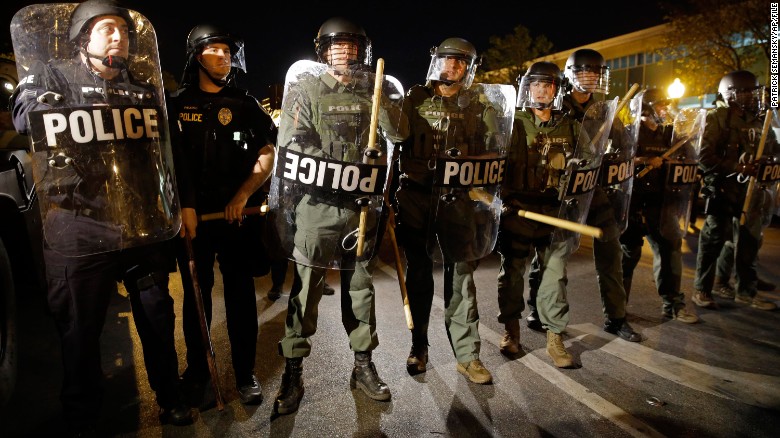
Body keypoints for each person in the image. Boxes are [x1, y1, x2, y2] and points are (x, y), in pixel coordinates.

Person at [10, 0, 193, 433]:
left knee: (157, 315)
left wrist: (178, 204)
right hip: (78, 226)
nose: (119, 36)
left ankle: (170, 398)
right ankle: (82, 413)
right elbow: (23, 115)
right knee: (79, 329)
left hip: (138, 223)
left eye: (125, 31)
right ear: (82, 38)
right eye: (107, 29)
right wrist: (43, 102)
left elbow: (168, 153)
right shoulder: (53, 75)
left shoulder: (143, 88)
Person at [269, 16, 409, 415]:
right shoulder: (306, 89)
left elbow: (398, 138)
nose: (343, 52)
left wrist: (385, 106)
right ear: (323, 51)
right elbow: (292, 144)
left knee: (361, 289)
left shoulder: (373, 92)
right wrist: (346, 168)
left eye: (350, 45)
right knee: (307, 287)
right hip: (318, 206)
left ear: (361, 50)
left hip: (360, 210)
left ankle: (363, 365)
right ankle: (293, 370)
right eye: (335, 46)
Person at [169, 24, 277, 407]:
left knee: (241, 296)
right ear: (198, 56)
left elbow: (268, 152)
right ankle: (198, 372)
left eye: (229, 52)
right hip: (195, 220)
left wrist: (243, 193)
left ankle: (245, 372)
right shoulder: (177, 105)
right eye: (216, 50)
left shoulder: (245, 104)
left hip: (237, 217)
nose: (225, 57)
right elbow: (172, 163)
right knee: (197, 298)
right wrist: (185, 206)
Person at [395, 37, 503, 383]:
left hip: (459, 200)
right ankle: (419, 346)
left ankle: (468, 355)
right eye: (447, 59)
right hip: (417, 197)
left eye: (460, 62)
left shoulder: (478, 104)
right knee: (419, 272)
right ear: (435, 61)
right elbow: (394, 141)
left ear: (468, 68)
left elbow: (495, 148)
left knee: (461, 276)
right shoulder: (414, 98)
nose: (452, 66)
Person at [529, 48, 638, 342]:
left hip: (595, 191)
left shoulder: (605, 109)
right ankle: (537, 310)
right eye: (582, 73)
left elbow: (623, 145)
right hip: (562, 194)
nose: (589, 79)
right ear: (570, 76)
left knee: (611, 250)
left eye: (594, 73)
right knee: (552, 255)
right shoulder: (555, 103)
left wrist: (621, 147)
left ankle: (616, 317)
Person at [496, 61, 582, 366]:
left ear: (557, 91)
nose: (542, 91)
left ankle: (555, 337)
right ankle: (511, 331)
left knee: (554, 277)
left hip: (554, 214)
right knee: (513, 276)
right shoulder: (511, 122)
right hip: (518, 212)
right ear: (527, 88)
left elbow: (587, 166)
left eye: (549, 86)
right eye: (536, 85)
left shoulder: (570, 126)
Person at [693, 70, 777, 310]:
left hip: (751, 192)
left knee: (750, 241)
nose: (752, 96)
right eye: (745, 92)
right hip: (722, 189)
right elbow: (703, 156)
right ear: (730, 93)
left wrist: (769, 160)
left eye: (754, 91)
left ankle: (746, 291)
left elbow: (773, 147)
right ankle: (702, 289)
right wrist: (737, 166)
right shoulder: (717, 117)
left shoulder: (760, 119)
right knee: (714, 240)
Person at [619, 89, 699, 323]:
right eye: (661, 106)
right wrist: (645, 161)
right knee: (628, 255)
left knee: (670, 251)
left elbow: (690, 158)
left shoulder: (670, 135)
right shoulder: (629, 133)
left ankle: (673, 304)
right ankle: (618, 307)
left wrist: (679, 159)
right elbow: (617, 160)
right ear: (646, 109)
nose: (665, 111)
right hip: (633, 203)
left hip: (662, 204)